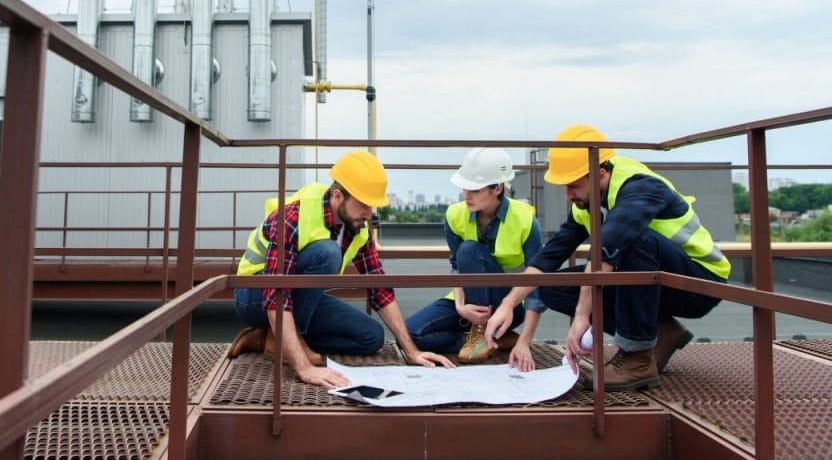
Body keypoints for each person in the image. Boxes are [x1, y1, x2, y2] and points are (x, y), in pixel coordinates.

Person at [484, 124, 731, 391]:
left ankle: (637, 359)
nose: (568, 196)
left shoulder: (640, 187)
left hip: (697, 282)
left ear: (600, 174)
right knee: (552, 287)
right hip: (656, 282)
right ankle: (661, 333)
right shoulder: (585, 203)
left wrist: (582, 315)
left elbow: (607, 248)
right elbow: (550, 257)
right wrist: (509, 304)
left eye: (573, 186)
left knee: (632, 239)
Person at [228, 150, 454, 388]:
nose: (369, 214)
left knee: (370, 337)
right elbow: (275, 293)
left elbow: (379, 289)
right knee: (327, 253)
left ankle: (268, 337)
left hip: (294, 301)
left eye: (372, 206)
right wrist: (304, 368)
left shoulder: (358, 227)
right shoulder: (295, 215)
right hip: (253, 293)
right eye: (363, 205)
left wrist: (411, 351)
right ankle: (281, 342)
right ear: (337, 195)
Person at [405, 148, 546, 372]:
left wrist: (524, 342)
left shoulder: (525, 220)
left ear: (497, 188)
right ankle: (490, 338)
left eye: (475, 189)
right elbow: (456, 267)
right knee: (413, 333)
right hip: (469, 299)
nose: (466, 195)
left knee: (468, 249)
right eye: (464, 187)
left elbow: (536, 285)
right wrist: (461, 307)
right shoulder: (454, 215)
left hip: (508, 305)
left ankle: (484, 332)